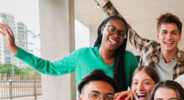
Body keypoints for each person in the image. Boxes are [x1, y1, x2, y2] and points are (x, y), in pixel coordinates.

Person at [0, 15, 138, 91]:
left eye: (121, 33)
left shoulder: (129, 59)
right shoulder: (82, 56)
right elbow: (50, 68)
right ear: (102, 29)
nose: (116, 35)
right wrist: (13, 48)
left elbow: (138, 91)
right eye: (112, 29)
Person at [97, 0, 184, 81]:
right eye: (164, 32)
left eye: (173, 33)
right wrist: (106, 3)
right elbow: (127, 29)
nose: (169, 37)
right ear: (158, 36)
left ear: (180, 36)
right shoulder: (149, 48)